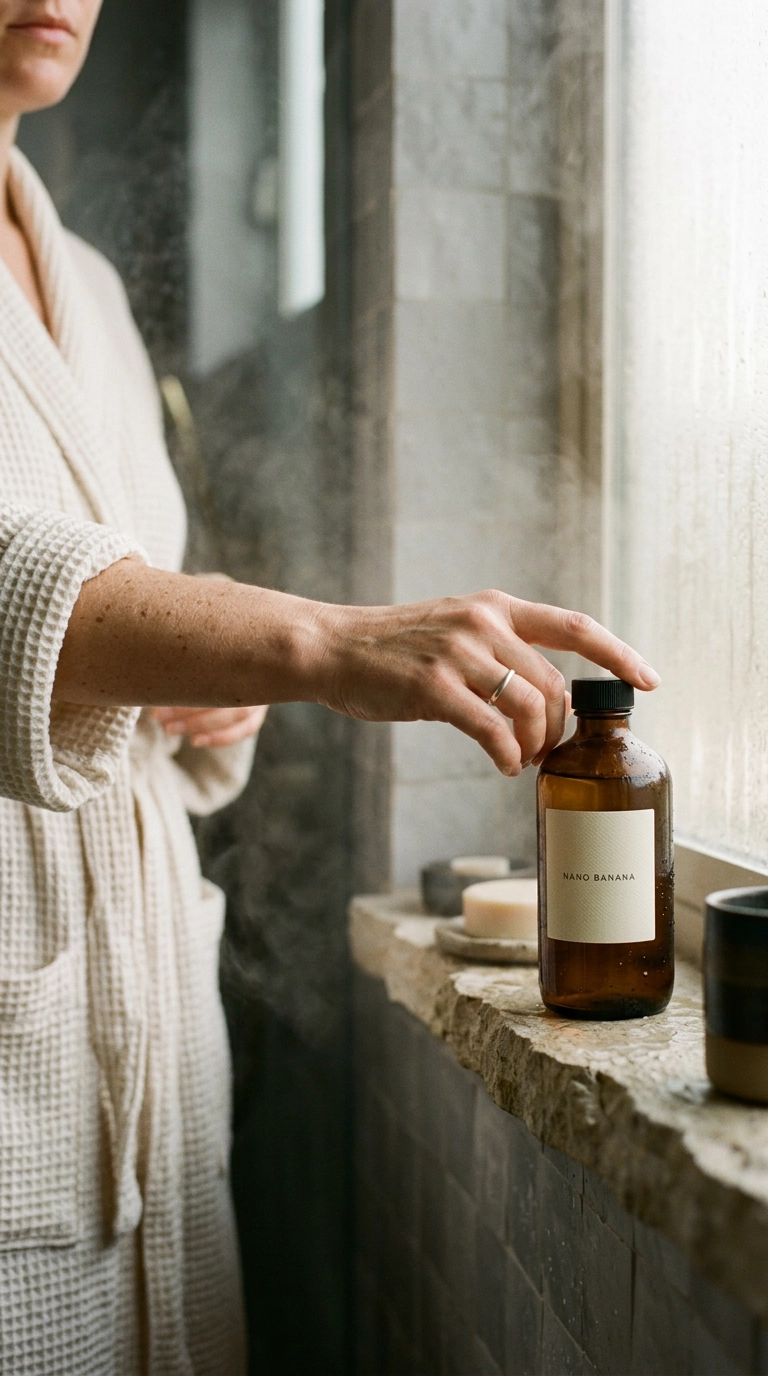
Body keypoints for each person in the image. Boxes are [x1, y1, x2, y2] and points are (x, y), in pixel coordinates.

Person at [0, 2, 660, 1372]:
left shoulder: (97, 301)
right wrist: (309, 641)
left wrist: (196, 698)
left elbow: (115, 619)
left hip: (140, 1054)